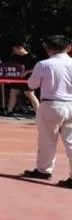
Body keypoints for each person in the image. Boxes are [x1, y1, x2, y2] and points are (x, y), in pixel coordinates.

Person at [22, 35, 72, 185]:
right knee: (71, 142)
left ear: (48, 48)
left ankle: (44, 170)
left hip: (51, 104)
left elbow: (32, 84)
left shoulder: (44, 64)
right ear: (69, 48)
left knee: (47, 140)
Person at [7, 43, 41, 116]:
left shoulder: (32, 57)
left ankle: (38, 113)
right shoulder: (14, 56)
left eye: (15, 49)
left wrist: (26, 72)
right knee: (13, 93)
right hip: (16, 78)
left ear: (20, 48)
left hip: (28, 79)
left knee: (30, 94)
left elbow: (37, 68)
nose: (14, 51)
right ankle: (9, 111)